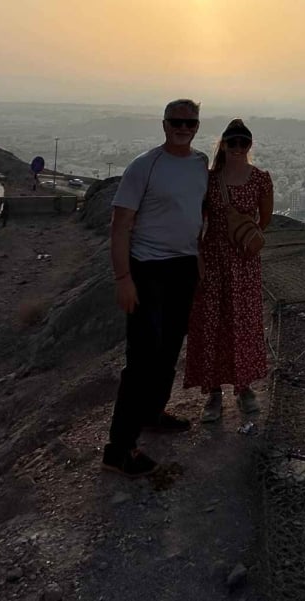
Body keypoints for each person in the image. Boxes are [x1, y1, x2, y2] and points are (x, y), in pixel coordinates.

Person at [101, 99, 210, 477]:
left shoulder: (200, 164)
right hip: (147, 269)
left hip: (182, 267)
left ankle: (152, 413)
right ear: (164, 124)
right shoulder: (144, 166)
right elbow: (119, 226)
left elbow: (194, 216)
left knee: (168, 348)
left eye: (190, 122)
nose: (183, 127)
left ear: (197, 126)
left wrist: (196, 258)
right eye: (177, 122)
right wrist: (123, 278)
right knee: (143, 358)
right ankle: (119, 449)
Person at [185, 118, 273, 420]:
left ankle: (243, 387)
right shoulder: (210, 180)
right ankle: (212, 393)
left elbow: (265, 218)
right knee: (212, 322)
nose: (237, 148)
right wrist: (198, 254)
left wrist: (246, 238)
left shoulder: (260, 179)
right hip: (213, 257)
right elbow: (198, 218)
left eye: (243, 143)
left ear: (249, 146)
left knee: (243, 323)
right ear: (223, 144)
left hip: (244, 262)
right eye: (232, 142)